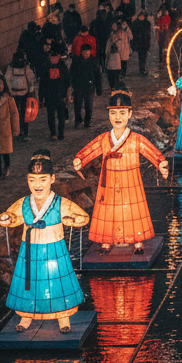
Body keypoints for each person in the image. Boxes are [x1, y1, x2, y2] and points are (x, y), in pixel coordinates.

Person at [0, 150, 90, 333]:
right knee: (29, 283)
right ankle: (26, 315)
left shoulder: (59, 202)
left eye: (42, 180)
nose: (37, 185)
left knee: (57, 282)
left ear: (52, 179)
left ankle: (63, 316)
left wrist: (72, 220)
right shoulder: (24, 203)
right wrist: (6, 218)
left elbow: (82, 216)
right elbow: (12, 217)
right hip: (29, 250)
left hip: (54, 248)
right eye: (32, 180)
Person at [72, 90, 170, 254]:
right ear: (109, 114)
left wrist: (160, 162)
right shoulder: (104, 138)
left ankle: (137, 240)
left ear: (129, 114)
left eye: (122, 113)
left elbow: (148, 149)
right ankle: (107, 240)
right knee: (110, 210)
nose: (118, 117)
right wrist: (80, 159)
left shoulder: (135, 139)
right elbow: (93, 148)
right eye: (113, 113)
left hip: (130, 180)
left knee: (133, 210)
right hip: (109, 180)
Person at [39, 43, 72, 141]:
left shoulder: (62, 66)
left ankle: (60, 133)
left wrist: (67, 94)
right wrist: (41, 96)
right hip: (49, 95)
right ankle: (53, 133)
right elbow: (42, 83)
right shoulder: (46, 66)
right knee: (51, 116)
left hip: (60, 95)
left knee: (60, 116)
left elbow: (67, 81)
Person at [5, 52, 36, 142]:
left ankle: (23, 132)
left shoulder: (25, 68)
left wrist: (31, 90)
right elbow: (7, 79)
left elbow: (31, 79)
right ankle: (19, 132)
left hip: (23, 94)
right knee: (17, 114)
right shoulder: (12, 68)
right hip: (15, 94)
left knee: (22, 114)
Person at [71, 43, 103, 128]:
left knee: (88, 106)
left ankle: (87, 122)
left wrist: (98, 88)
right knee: (77, 105)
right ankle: (78, 119)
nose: (86, 54)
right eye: (84, 52)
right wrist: (72, 85)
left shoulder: (93, 61)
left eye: (87, 52)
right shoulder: (76, 61)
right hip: (78, 86)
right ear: (81, 52)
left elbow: (98, 76)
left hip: (89, 87)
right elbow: (72, 74)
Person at [130, 10, 152, 76]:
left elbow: (148, 34)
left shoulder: (147, 24)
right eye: (140, 16)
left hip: (145, 43)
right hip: (139, 43)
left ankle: (142, 69)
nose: (141, 18)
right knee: (141, 56)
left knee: (144, 56)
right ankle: (142, 69)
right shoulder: (135, 23)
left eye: (142, 17)